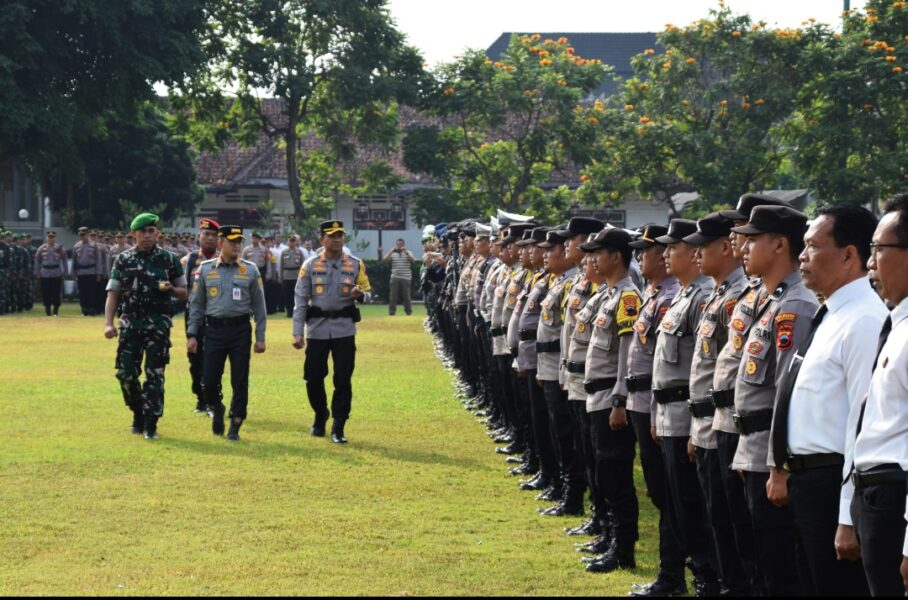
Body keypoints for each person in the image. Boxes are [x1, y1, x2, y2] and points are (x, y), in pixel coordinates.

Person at [769, 205, 881, 596]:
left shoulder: (864, 320)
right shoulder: (830, 313)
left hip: (834, 482)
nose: (801, 256)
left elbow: (862, 424)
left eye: (813, 246)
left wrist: (847, 515)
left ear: (849, 255)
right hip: (807, 481)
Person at [731, 205, 818, 596]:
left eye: (752, 239)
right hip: (753, 447)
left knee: (779, 565)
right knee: (760, 557)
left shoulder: (795, 305)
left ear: (780, 245)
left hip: (771, 454)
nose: (743, 247)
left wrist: (777, 466)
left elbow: (788, 391)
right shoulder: (770, 300)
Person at [841, 193, 908, 597]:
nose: (869, 263)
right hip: (873, 494)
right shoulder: (894, 322)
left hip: (895, 494)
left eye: (878, 250)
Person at [650, 219, 720, 596]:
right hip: (668, 415)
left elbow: (705, 371)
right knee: (675, 506)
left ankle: (705, 580)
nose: (665, 254)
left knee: (693, 510)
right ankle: (675, 576)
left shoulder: (702, 298)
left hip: (688, 417)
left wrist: (697, 425)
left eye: (671, 248)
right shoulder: (681, 296)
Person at [683, 213, 750, 596]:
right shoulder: (718, 295)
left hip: (727, 425)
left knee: (731, 522)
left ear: (726, 246)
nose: (696, 255)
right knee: (716, 518)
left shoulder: (737, 298)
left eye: (702, 247)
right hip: (709, 424)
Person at [625, 225, 686, 597]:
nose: (648, 257)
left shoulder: (672, 297)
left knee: (673, 498)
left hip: (661, 406)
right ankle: (672, 571)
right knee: (662, 495)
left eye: (650, 251)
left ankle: (675, 574)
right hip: (648, 404)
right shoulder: (654, 296)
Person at [578, 227, 642, 573]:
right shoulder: (606, 294)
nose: (591, 259)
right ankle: (608, 534)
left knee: (615, 474)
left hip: (609, 397)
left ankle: (623, 548)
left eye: (598, 253)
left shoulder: (628, 297)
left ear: (615, 256)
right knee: (604, 471)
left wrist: (620, 398)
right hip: (595, 394)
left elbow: (627, 352)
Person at [103, 213, 187, 440]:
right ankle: (138, 411)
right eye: (143, 232)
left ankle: (151, 422)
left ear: (157, 233)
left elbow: (184, 292)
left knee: (155, 375)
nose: (147, 235)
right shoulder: (123, 260)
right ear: (134, 234)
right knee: (125, 374)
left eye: (151, 231)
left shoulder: (169, 259)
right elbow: (113, 293)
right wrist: (108, 323)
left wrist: (170, 289)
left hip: (158, 326)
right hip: (130, 325)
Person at [292, 220, 371, 444]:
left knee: (343, 379)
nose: (337, 239)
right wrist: (297, 332)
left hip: (344, 329)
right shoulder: (309, 265)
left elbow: (368, 293)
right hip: (316, 330)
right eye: (332, 236)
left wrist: (360, 296)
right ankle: (320, 414)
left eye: (340, 236)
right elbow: (299, 301)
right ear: (322, 240)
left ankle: (338, 425)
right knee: (313, 378)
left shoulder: (355, 264)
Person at [187, 225, 267, 442]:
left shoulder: (250, 270)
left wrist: (260, 337)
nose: (237, 246)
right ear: (221, 243)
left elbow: (260, 307)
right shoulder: (204, 269)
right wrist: (192, 334)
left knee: (240, 379)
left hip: (240, 330)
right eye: (232, 242)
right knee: (209, 381)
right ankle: (216, 406)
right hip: (212, 331)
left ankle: (236, 423)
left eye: (239, 242)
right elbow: (196, 304)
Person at [180, 218, 220, 414]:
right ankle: (200, 398)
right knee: (195, 358)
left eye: (214, 235)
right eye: (207, 234)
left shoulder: (224, 258)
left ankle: (213, 399)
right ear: (199, 236)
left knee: (214, 358)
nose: (210, 238)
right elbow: (183, 287)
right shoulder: (189, 260)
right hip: (194, 315)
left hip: (216, 316)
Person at [34, 231, 68, 316]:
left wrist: (65, 271)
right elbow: (37, 260)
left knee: (56, 292)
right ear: (47, 238)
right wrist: (37, 271)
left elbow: (64, 260)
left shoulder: (60, 248)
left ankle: (55, 311)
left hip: (56, 273)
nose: (51, 239)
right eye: (49, 237)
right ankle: (47, 311)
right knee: (46, 292)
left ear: (55, 238)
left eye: (52, 237)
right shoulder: (42, 248)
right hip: (45, 273)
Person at [73, 226, 103, 316]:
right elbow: (74, 261)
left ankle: (92, 309)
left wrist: (99, 273)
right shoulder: (76, 246)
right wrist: (74, 273)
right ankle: (84, 309)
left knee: (92, 292)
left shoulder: (94, 245)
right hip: (81, 272)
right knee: (82, 292)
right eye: (81, 235)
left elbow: (98, 260)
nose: (82, 237)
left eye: (84, 235)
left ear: (88, 234)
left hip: (91, 271)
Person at [384, 238, 415, 316]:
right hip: (395, 276)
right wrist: (390, 251)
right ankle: (392, 312)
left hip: (406, 277)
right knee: (393, 296)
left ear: (403, 245)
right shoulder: (393, 253)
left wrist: (405, 251)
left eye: (401, 244)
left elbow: (412, 260)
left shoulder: (408, 252)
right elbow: (385, 260)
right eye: (398, 244)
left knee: (406, 296)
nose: (399, 246)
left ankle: (408, 312)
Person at [280, 235, 305, 318]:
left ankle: (296, 311)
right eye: (290, 241)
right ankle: (289, 312)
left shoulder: (300, 252)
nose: (291, 243)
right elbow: (281, 266)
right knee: (288, 295)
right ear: (287, 242)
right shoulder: (284, 252)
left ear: (295, 242)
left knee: (297, 294)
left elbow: (303, 266)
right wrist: (280, 277)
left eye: (293, 241)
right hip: (286, 276)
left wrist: (303, 277)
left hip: (296, 276)